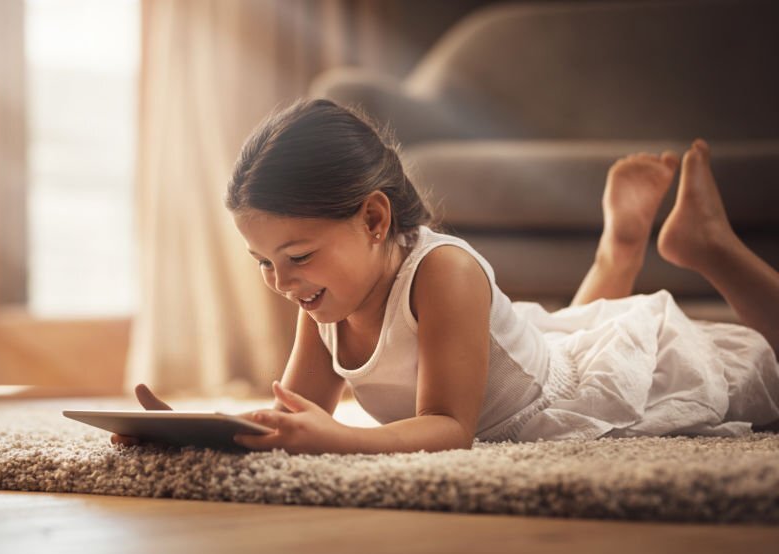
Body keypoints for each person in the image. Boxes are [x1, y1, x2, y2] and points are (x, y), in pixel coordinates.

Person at [114, 99, 779, 454]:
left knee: (761, 375)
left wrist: (346, 440)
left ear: (375, 219)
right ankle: (620, 249)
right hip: (516, 366)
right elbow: (294, 415)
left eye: (297, 255)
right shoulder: (319, 299)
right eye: (263, 263)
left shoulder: (445, 272)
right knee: (559, 336)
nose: (281, 281)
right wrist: (196, 432)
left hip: (552, 398)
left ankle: (709, 245)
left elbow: (450, 428)